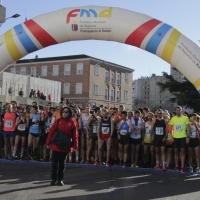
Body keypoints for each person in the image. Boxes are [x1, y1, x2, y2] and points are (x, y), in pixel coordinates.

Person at [46, 107, 78, 186]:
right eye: (63, 111)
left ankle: (60, 179)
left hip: (65, 146)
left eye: (66, 112)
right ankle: (53, 179)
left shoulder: (72, 123)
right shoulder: (57, 121)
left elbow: (75, 135)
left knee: (62, 164)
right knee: (54, 163)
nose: (64, 113)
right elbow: (51, 132)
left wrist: (75, 145)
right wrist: (48, 143)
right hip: (56, 145)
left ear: (69, 113)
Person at [170, 106, 190, 173]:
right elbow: (171, 129)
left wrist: (188, 137)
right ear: (175, 111)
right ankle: (176, 165)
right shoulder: (173, 119)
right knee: (176, 152)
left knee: (183, 152)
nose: (178, 111)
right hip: (175, 137)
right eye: (177, 110)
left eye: (179, 110)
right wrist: (171, 137)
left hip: (183, 137)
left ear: (181, 111)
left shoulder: (185, 118)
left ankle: (182, 166)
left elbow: (188, 129)